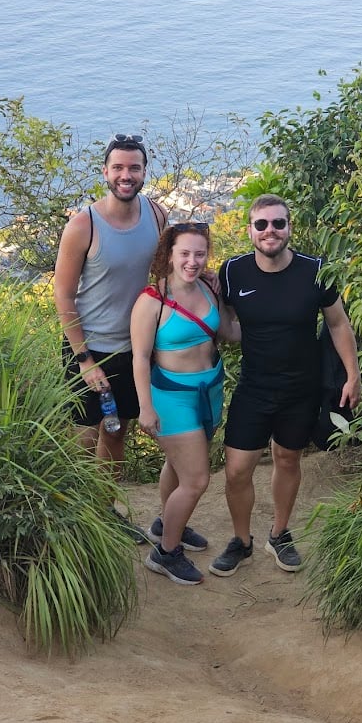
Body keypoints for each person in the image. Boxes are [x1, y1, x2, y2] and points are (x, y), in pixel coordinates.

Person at [209, 194, 362, 577]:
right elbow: (227, 323)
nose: (270, 231)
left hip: (301, 389)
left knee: (288, 458)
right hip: (253, 388)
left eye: (278, 223)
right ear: (250, 230)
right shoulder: (233, 272)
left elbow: (338, 323)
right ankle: (241, 541)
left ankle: (279, 534)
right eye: (261, 224)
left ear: (289, 227)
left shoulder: (315, 270)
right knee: (236, 470)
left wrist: (353, 374)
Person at [54, 133, 167, 542]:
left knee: (117, 432)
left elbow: (165, 274)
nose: (126, 175)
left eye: (134, 167)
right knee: (83, 439)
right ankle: (76, 523)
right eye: (118, 167)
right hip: (89, 349)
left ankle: (104, 514)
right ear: (105, 172)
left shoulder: (156, 215)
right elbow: (63, 294)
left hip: (134, 349)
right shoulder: (84, 224)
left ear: (144, 172)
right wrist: (84, 360)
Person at [130, 222, 240, 585]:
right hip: (171, 396)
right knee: (195, 480)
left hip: (209, 389)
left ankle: (167, 524)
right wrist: (145, 407)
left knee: (177, 468)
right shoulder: (152, 300)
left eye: (200, 254)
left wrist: (262, 315)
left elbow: (228, 333)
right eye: (185, 254)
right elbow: (140, 358)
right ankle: (165, 553)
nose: (193, 261)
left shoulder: (209, 288)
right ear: (169, 255)